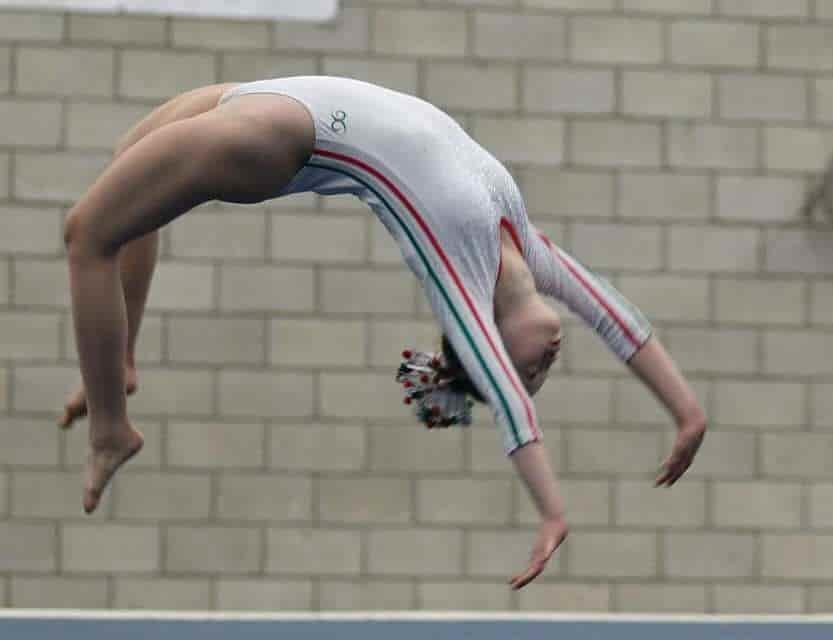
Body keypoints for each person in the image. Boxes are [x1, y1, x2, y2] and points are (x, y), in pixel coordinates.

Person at [60, 76, 707, 589]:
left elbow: (506, 402)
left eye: (527, 372)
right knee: (126, 185)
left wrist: (550, 511)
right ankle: (119, 362)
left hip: (272, 138)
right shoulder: (526, 248)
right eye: (536, 375)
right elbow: (614, 317)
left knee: (87, 234)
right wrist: (685, 414)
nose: (542, 367)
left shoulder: (458, 267)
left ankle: (111, 430)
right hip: (269, 94)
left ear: (483, 348)